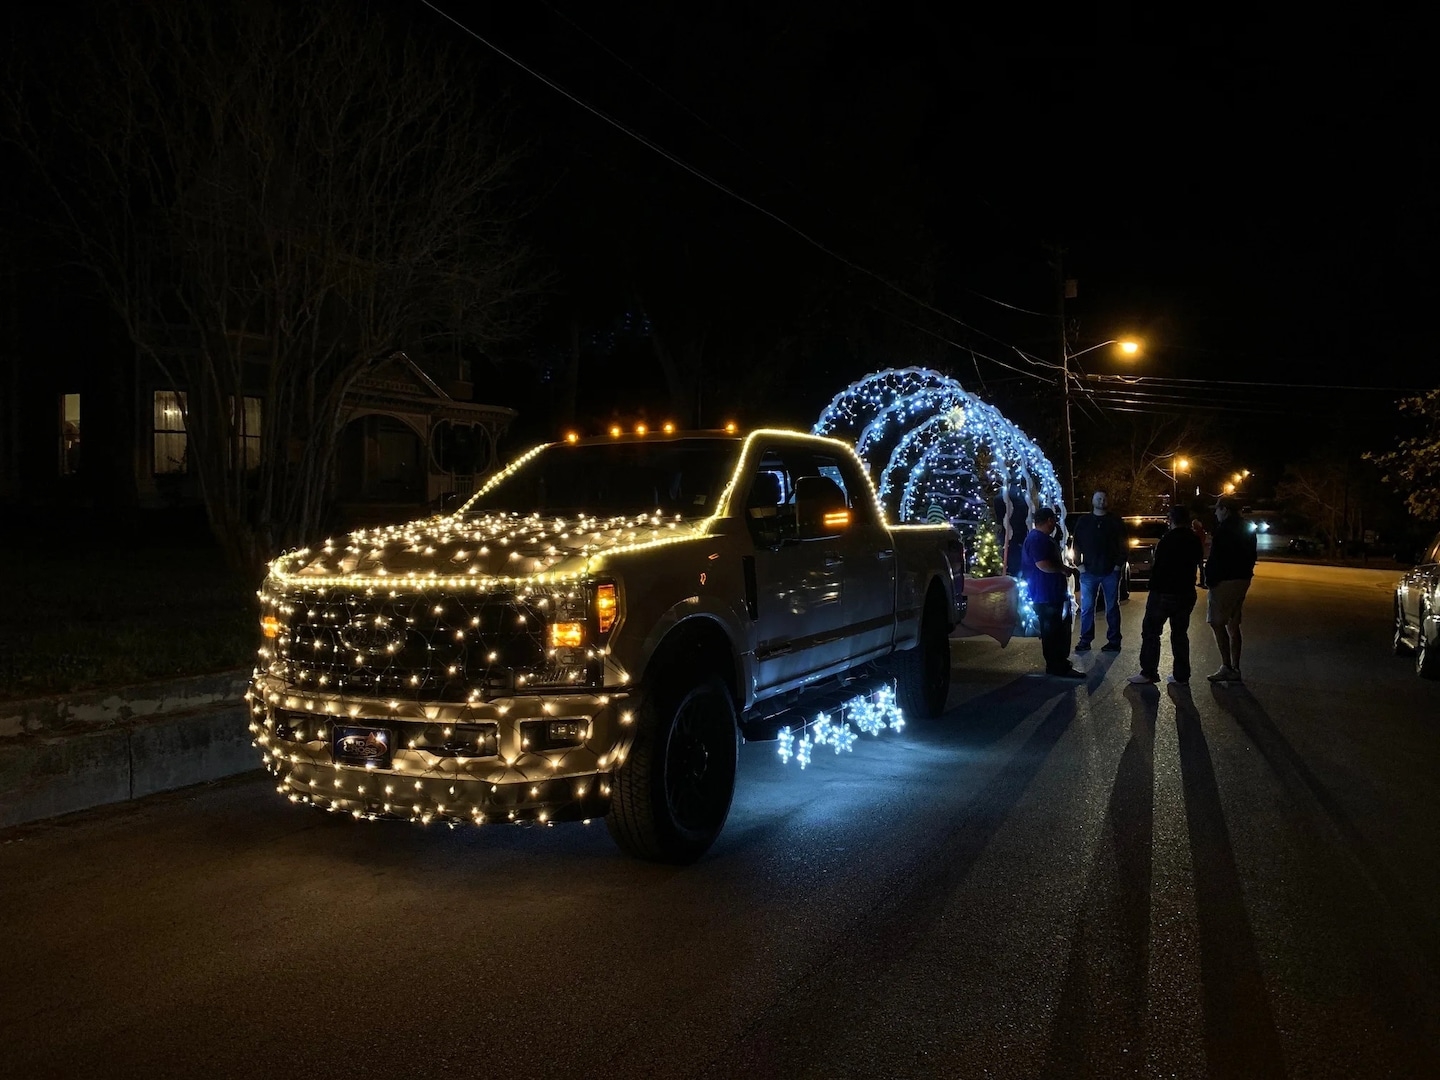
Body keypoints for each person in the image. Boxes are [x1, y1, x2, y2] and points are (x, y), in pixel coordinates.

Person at [1127, 507, 1205, 686]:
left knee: (1151, 631)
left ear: (1172, 520)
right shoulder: (1193, 539)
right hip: (1185, 591)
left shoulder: (1168, 540)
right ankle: (1181, 675)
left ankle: (1149, 672)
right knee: (1179, 633)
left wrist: (1152, 586)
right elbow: (1198, 561)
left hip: (1164, 592)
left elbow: (1160, 567)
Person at [1020, 506, 1083, 678]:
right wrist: (1064, 569)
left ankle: (1058, 663)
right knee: (1053, 632)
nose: (1055, 523)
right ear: (1049, 520)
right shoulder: (1038, 539)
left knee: (1054, 631)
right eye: (1054, 520)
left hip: (1048, 593)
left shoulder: (1039, 538)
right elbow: (1043, 565)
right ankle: (1057, 665)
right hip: (1045, 594)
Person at [1205, 497, 1258, 682]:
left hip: (1225, 581)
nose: (1215, 513)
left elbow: (1217, 558)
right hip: (1242, 579)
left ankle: (1227, 666)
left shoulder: (1224, 530)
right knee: (1233, 623)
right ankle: (1235, 667)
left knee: (1216, 622)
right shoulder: (1247, 527)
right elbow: (1252, 554)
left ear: (1225, 509)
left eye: (1217, 509)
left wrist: (1209, 579)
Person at [1071, 489, 1125, 652]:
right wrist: (1079, 565)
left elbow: (1124, 544)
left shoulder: (1115, 521)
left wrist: (1118, 565)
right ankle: (1085, 640)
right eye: (1098, 498)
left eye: (1104, 498)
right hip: (1089, 572)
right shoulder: (1084, 521)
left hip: (1110, 571)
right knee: (1087, 608)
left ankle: (1114, 641)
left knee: (1112, 607)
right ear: (1093, 501)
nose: (1101, 501)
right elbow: (1076, 544)